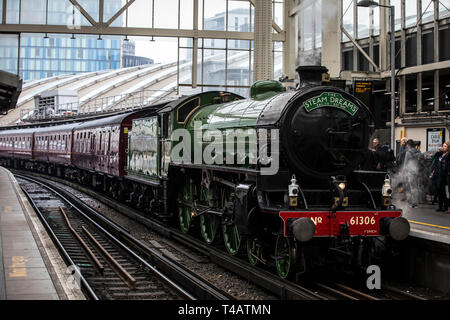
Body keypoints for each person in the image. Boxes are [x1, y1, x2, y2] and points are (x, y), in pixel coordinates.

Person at [400, 139, 423, 208]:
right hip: (417, 170)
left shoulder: (408, 152)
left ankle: (414, 203)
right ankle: (417, 201)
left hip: (410, 171)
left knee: (412, 187)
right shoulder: (418, 151)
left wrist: (403, 172)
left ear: (408, 145)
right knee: (416, 187)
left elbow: (405, 163)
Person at [435, 142, 450, 212]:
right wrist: (438, 151)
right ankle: (440, 206)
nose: (443, 147)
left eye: (445, 146)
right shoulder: (441, 154)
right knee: (440, 191)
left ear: (448, 147)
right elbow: (435, 157)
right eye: (443, 146)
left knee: (445, 192)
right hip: (440, 174)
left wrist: (448, 171)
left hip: (445, 175)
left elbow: (448, 165)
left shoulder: (448, 154)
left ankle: (446, 206)